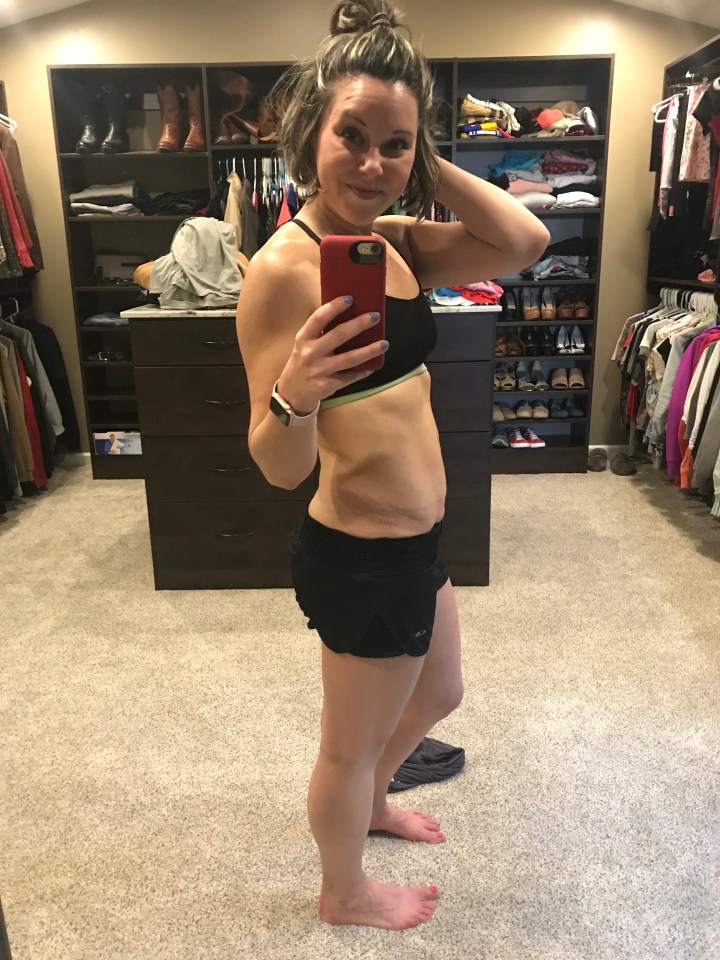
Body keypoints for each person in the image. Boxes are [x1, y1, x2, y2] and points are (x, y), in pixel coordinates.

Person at [236, 0, 550, 931]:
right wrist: (297, 391)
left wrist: (424, 158)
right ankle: (344, 891)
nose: (372, 163)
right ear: (311, 132)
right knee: (347, 746)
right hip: (360, 553)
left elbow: (525, 242)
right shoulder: (282, 272)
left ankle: (374, 801)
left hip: (421, 539)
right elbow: (276, 467)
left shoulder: (397, 242)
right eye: (352, 136)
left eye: (395, 145)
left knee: (442, 692)